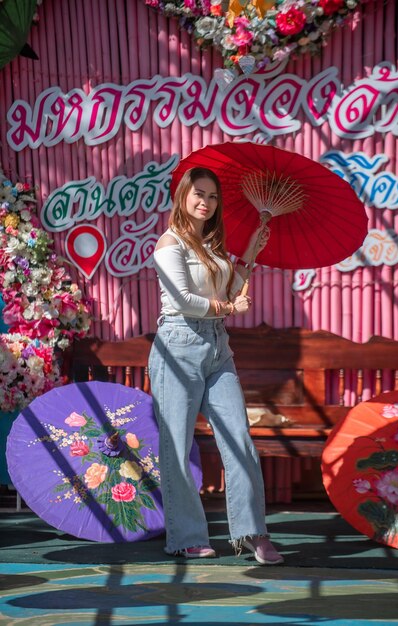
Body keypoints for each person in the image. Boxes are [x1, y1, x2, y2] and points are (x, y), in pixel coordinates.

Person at [148, 166, 283, 565]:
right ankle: (187, 536)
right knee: (177, 444)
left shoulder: (211, 245)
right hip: (178, 346)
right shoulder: (168, 244)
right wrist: (227, 307)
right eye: (198, 194)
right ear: (183, 197)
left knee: (239, 438)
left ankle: (253, 533)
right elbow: (185, 299)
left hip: (217, 348)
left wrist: (252, 253)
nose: (205, 202)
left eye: (211, 196)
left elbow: (226, 286)